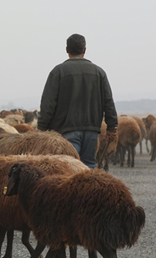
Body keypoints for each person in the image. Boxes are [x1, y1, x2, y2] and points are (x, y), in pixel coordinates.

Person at [37, 33, 118, 169]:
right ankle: (87, 191)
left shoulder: (58, 72)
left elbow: (48, 104)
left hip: (65, 131)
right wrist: (111, 126)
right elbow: (108, 102)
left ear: (67, 50)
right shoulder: (99, 73)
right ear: (84, 50)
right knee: (89, 166)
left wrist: (41, 127)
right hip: (91, 130)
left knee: (68, 168)